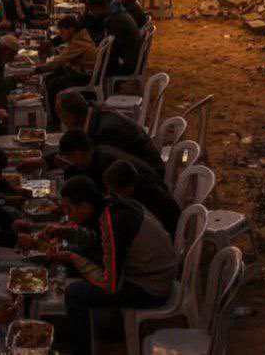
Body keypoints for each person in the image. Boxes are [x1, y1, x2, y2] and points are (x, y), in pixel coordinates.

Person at [47, 176, 175, 355]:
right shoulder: (111, 204)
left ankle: (83, 349)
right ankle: (98, 326)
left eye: (69, 209)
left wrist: (71, 257)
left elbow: (110, 285)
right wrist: (69, 233)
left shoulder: (113, 222)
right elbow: (101, 242)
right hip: (146, 270)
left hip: (150, 287)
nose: (67, 215)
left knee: (74, 293)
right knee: (79, 252)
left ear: (84, 206)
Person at [57, 131, 180, 235]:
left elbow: (103, 211)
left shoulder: (104, 168)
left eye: (69, 158)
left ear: (78, 153)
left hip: (161, 222)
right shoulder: (100, 152)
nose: (71, 163)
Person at [55, 91, 164, 173]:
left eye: (59, 113)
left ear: (70, 116)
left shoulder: (105, 132)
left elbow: (100, 168)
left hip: (146, 178)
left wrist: (72, 165)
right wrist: (47, 161)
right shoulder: (94, 116)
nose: (60, 119)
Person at [39, 15, 100, 109]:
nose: (61, 35)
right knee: (51, 77)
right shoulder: (79, 36)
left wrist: (37, 69)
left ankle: (57, 117)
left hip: (85, 76)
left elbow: (59, 61)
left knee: (53, 84)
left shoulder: (79, 42)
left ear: (71, 30)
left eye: (62, 32)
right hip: (81, 71)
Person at [87, 0, 141, 78]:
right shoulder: (118, 12)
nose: (91, 13)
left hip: (126, 64)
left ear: (98, 8)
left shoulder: (114, 20)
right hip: (132, 58)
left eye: (91, 10)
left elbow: (111, 47)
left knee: (88, 67)